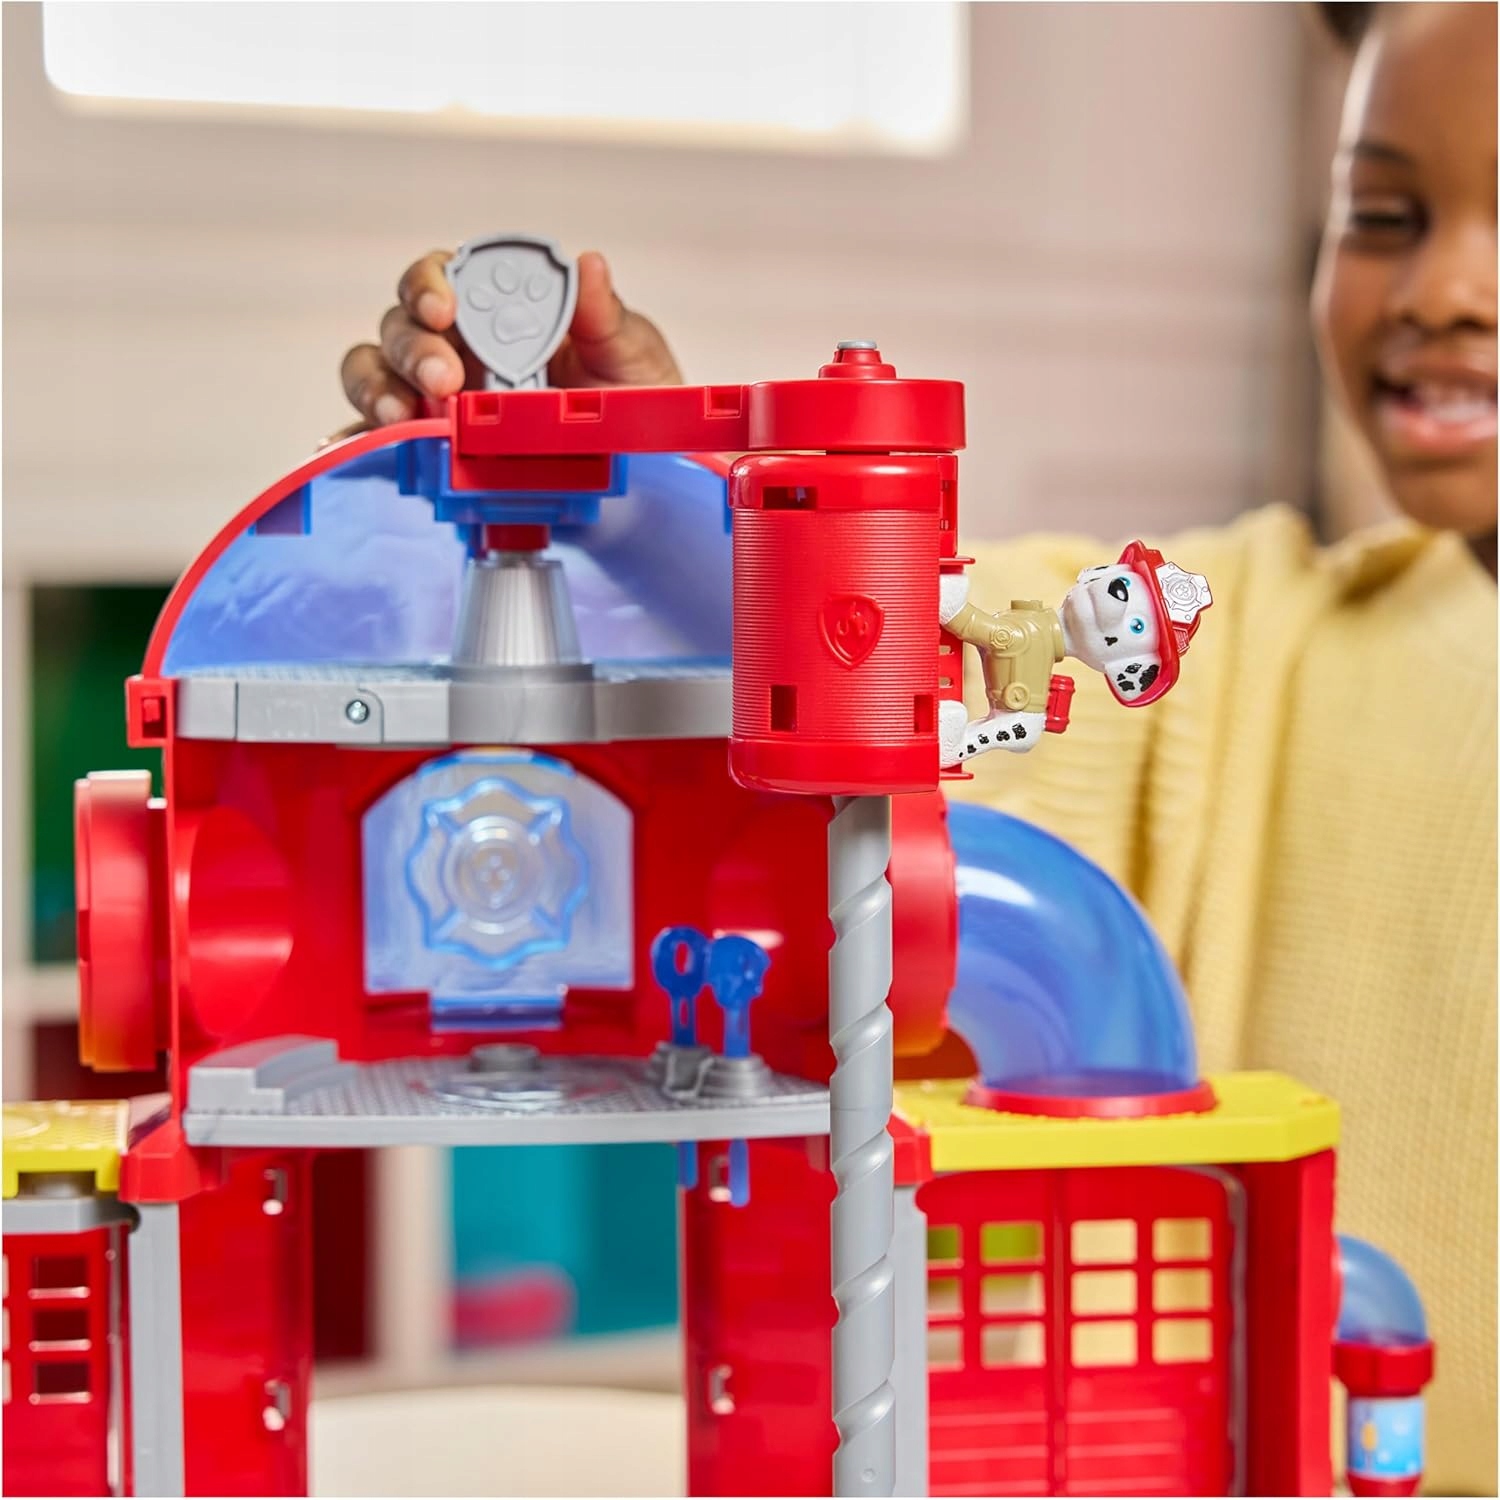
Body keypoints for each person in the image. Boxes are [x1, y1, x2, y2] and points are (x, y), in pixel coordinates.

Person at [339, 3, 1496, 1488]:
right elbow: (858, 657)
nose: (1442, 289)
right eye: (1383, 217)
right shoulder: (1251, 637)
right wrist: (631, 486)